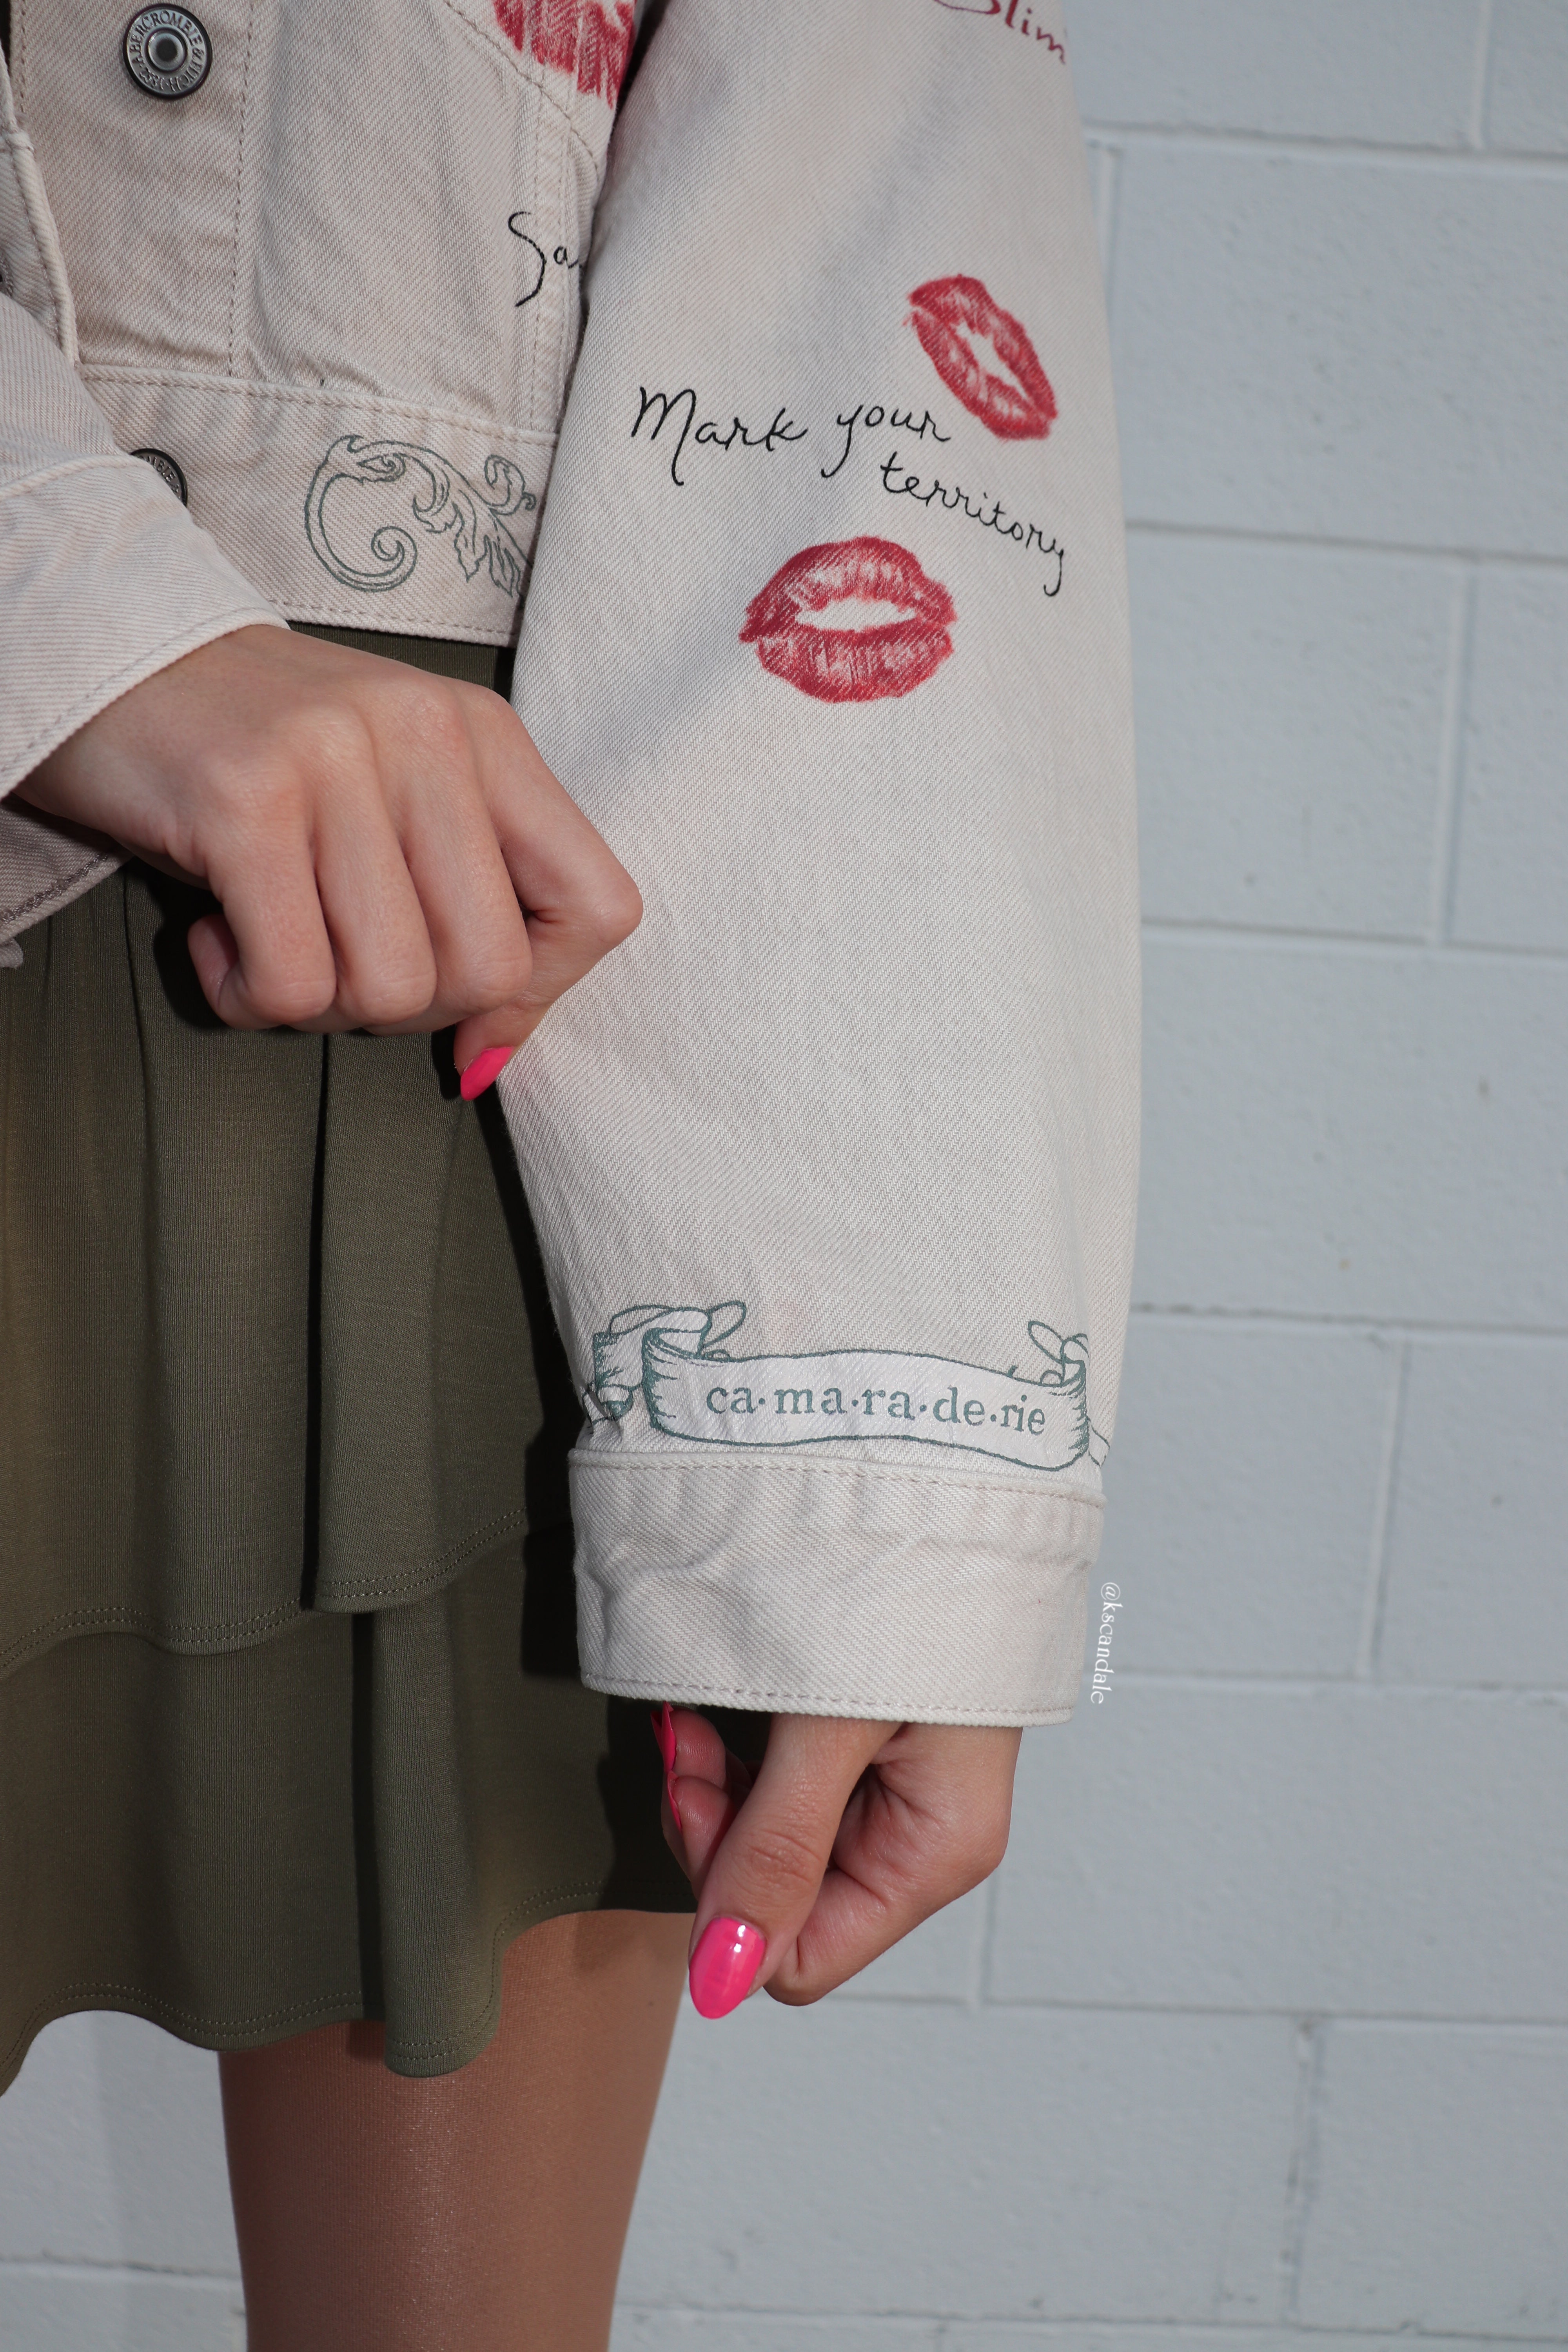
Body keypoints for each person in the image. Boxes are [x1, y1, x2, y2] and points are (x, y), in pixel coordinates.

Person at [0, 0, 1139, 2343]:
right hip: (369, 886)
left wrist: (878, 1455)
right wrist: (76, 605)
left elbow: (879, 326)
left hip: (465, 999)